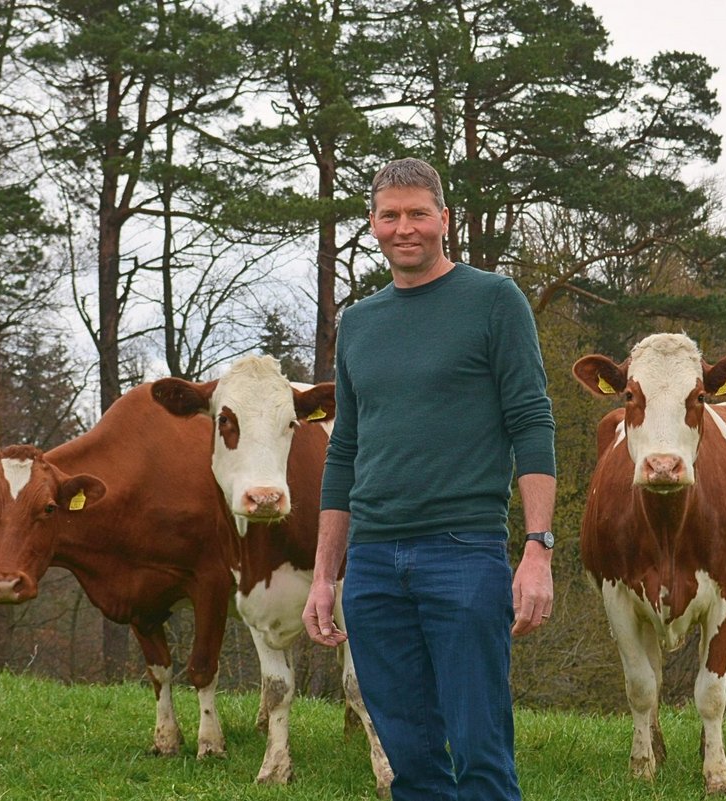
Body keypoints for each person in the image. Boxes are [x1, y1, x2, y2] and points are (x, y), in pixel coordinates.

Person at [302, 157, 556, 801]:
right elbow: (344, 453)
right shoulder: (359, 323)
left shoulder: (493, 301)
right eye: (390, 215)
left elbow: (531, 423)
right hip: (373, 566)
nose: (404, 227)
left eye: (418, 213)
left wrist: (537, 549)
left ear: (444, 218)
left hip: (463, 555)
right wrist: (325, 577)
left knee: (480, 755)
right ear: (372, 224)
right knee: (410, 763)